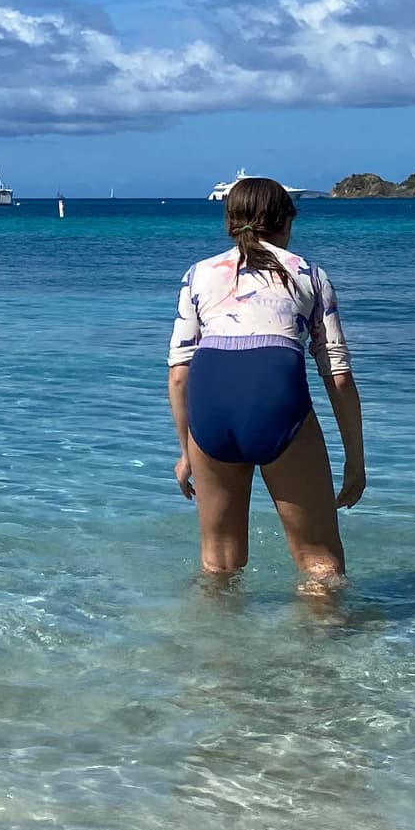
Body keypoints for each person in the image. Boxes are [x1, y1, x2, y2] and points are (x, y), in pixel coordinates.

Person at [166, 176, 365, 588]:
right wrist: (355, 461)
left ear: (229, 222)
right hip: (274, 401)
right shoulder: (309, 274)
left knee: (219, 563)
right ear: (287, 223)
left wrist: (187, 452)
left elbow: (180, 373)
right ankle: (323, 632)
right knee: (320, 562)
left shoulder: (198, 275)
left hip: (209, 408)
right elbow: (338, 376)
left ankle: (211, 632)